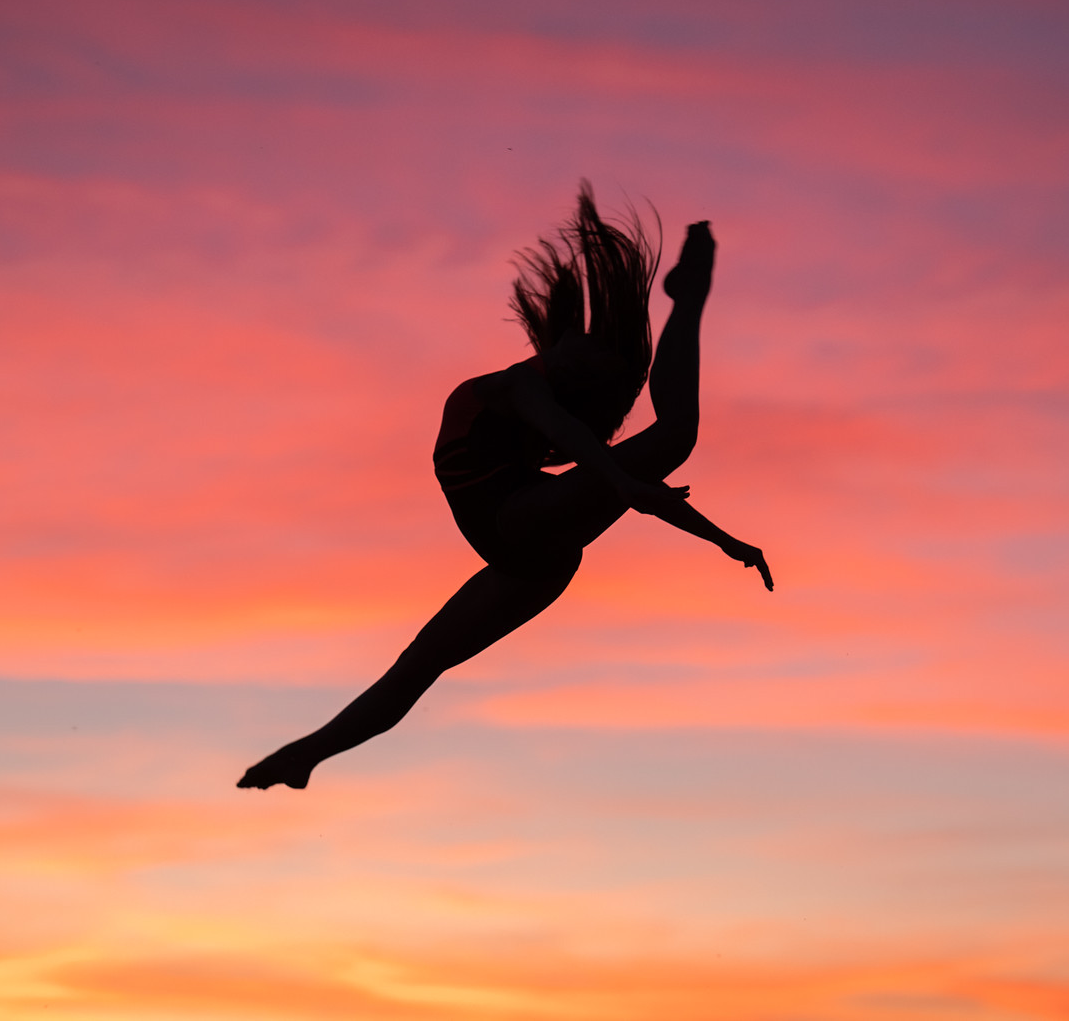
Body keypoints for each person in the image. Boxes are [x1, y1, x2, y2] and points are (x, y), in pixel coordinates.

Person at [238, 183, 771, 790]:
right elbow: (588, 455)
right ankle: (306, 756)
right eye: (586, 346)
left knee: (674, 436)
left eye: (598, 361)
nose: (584, 353)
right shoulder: (521, 389)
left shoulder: (548, 405)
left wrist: (720, 538)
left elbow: (610, 472)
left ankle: (688, 300)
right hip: (524, 530)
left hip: (532, 542)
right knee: (418, 666)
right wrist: (696, 524)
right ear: (565, 340)